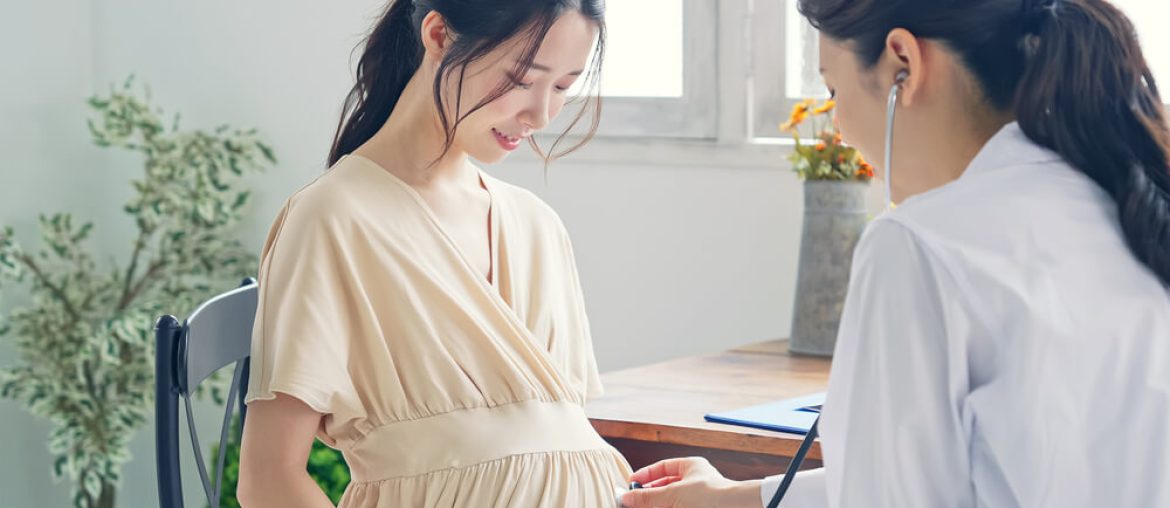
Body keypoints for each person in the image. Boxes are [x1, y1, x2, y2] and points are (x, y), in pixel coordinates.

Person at [621, 0, 1170, 506]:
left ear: (901, 63)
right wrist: (734, 499)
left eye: (834, 92)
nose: (836, 126)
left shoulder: (919, 244)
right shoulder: (1128, 205)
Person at [236, 1, 631, 506]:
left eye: (562, 88)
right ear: (439, 34)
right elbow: (269, 479)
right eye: (522, 78)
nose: (542, 114)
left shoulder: (539, 227)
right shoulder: (331, 219)